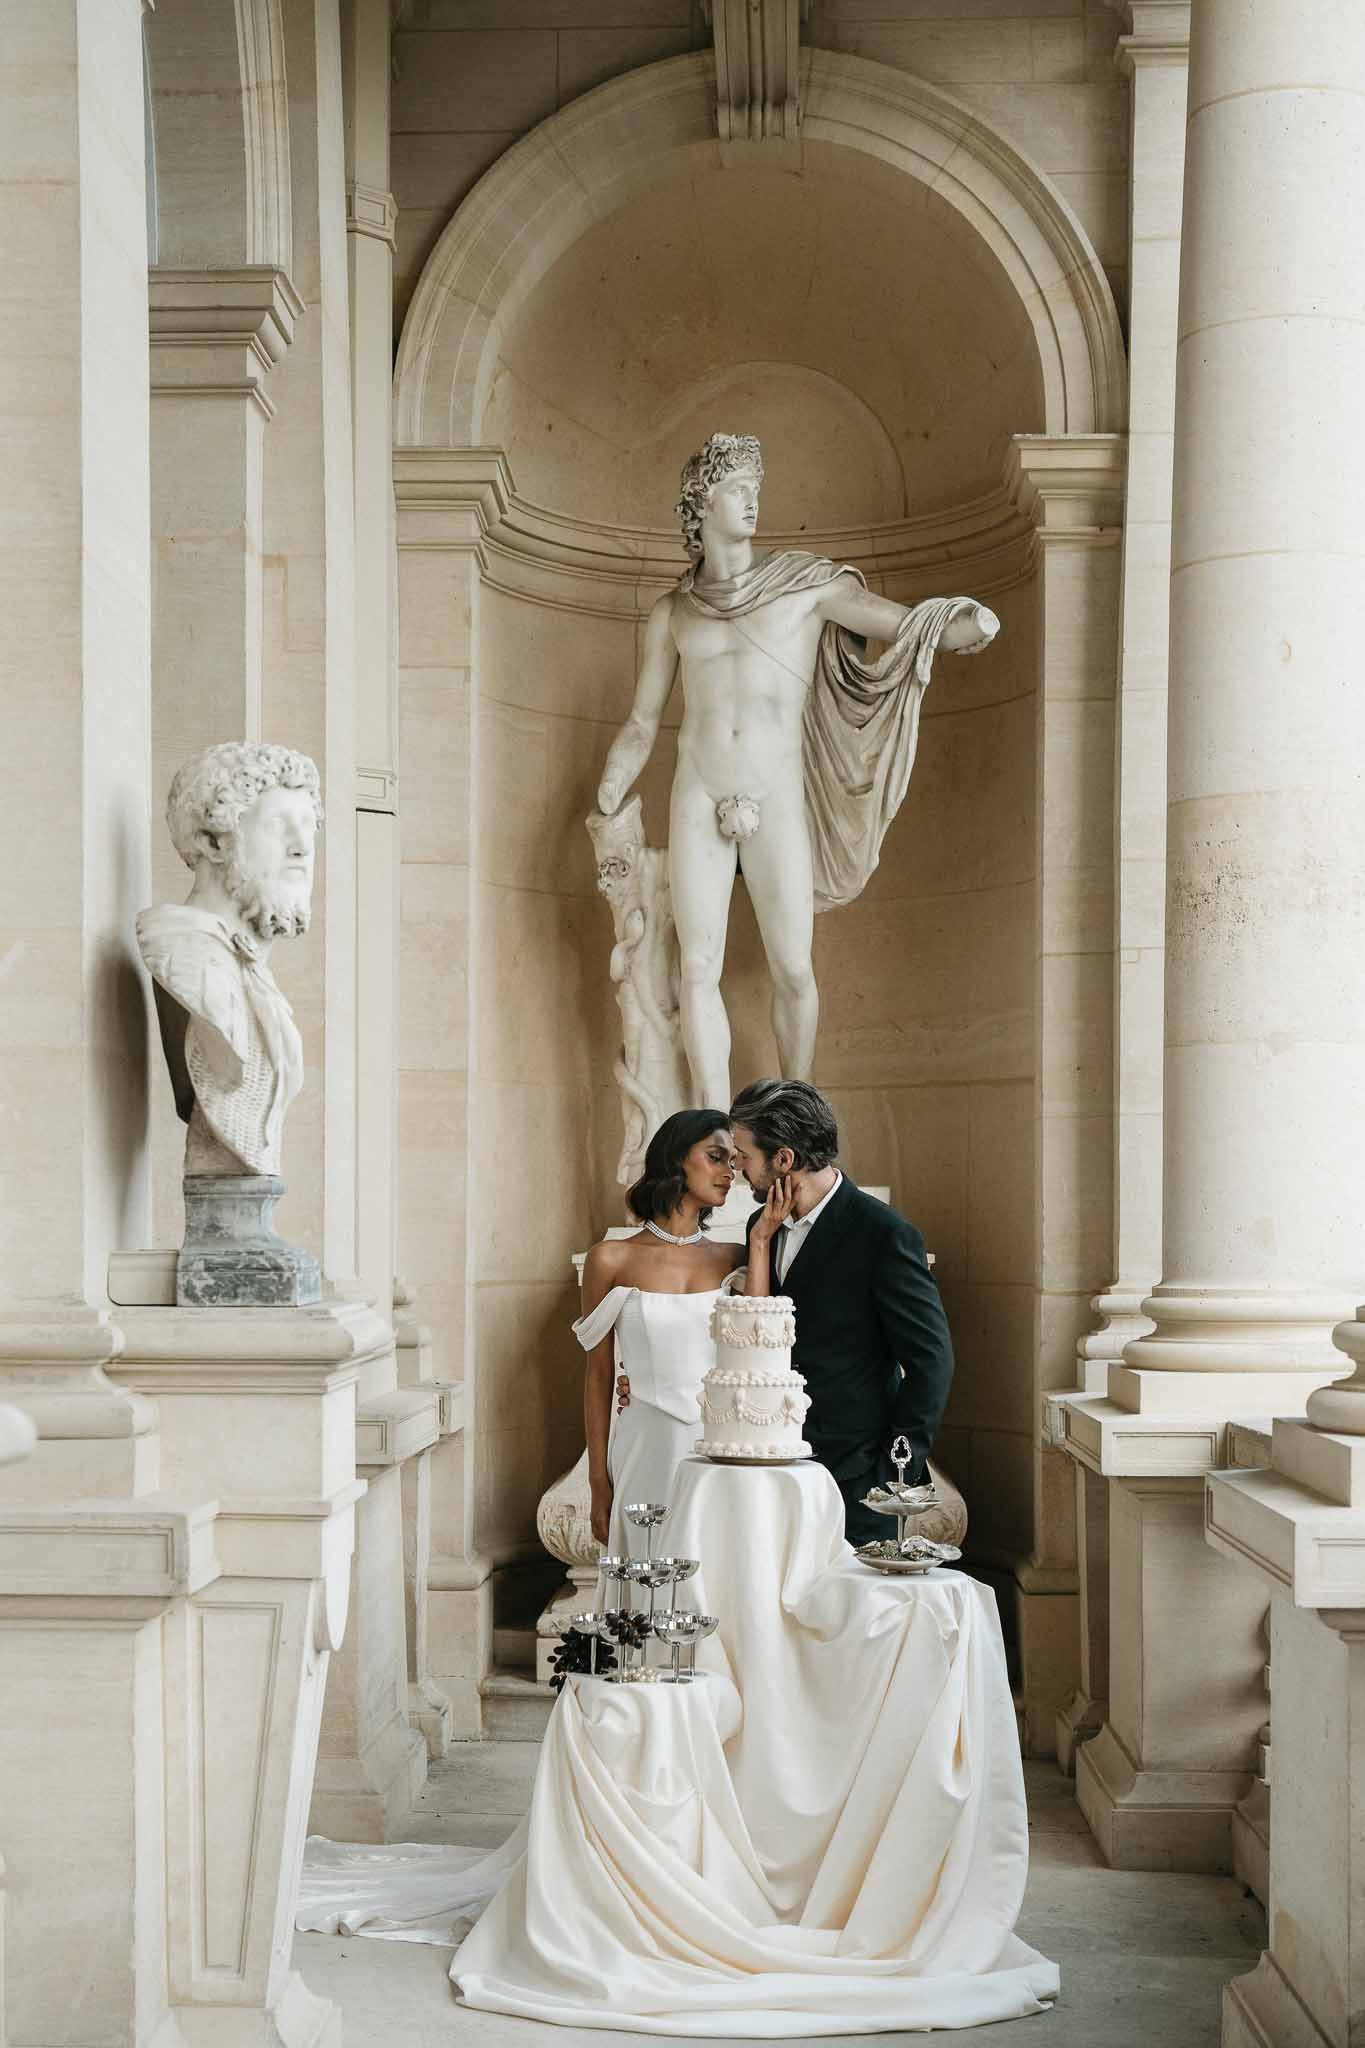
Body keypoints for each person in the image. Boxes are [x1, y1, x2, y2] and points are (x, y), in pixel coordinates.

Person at [594, 432, 999, 1107]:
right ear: (702, 503)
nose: (752, 500)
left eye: (755, 487)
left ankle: (795, 1116)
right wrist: (610, 789)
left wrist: (961, 625)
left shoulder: (805, 589)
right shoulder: (673, 611)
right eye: (737, 489)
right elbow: (642, 721)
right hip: (698, 790)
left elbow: (903, 626)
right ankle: (713, 1124)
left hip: (775, 792)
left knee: (792, 967)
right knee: (696, 966)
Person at [728, 1077, 954, 1546]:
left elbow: (931, 1360)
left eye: (744, 1155)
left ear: (783, 1159)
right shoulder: (760, 1226)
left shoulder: (883, 1234)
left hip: (858, 1478)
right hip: (772, 1465)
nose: (738, 1167)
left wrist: (894, 1469)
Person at [577, 1108, 791, 1551]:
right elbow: (598, 1376)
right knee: (647, 1567)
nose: (729, 1172)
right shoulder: (609, 1259)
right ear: (676, 1158)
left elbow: (757, 1348)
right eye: (715, 1156)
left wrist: (760, 1242)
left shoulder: (733, 1256)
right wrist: (598, 1482)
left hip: (719, 1445)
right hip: (644, 1445)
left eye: (733, 1160)